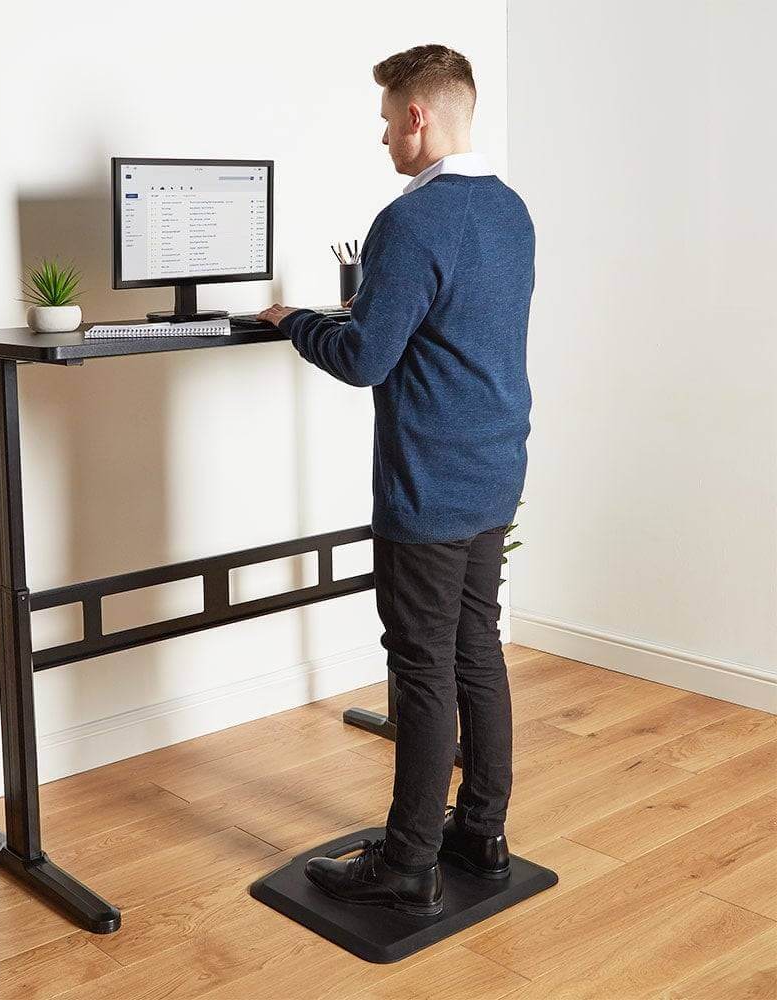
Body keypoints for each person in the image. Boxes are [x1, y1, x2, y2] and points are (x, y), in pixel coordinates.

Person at [258, 44, 535, 917]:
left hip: (428, 483)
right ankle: (479, 832)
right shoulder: (512, 210)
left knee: (420, 669)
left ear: (418, 116)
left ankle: (409, 862)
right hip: (495, 467)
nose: (383, 137)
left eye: (387, 119)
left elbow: (367, 357)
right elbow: (452, 329)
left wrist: (296, 320)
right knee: (475, 649)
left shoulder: (409, 222)